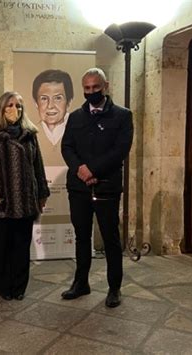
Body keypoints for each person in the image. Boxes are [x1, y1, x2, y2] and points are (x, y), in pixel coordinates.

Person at [61, 68, 133, 308]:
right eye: (87, 88)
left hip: (107, 187)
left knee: (111, 239)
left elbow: (120, 150)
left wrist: (93, 170)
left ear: (106, 86)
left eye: (95, 87)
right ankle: (81, 283)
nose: (91, 92)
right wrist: (81, 169)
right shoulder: (75, 117)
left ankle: (114, 288)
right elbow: (67, 147)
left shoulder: (123, 116)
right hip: (79, 187)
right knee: (82, 237)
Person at [0, 91, 50, 301]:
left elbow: (38, 166)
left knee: (21, 247)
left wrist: (42, 193)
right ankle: (3, 287)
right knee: (1, 247)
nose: (14, 110)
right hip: (1, 202)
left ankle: (19, 287)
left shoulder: (29, 134)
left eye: (18, 106)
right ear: (1, 108)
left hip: (25, 201)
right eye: (9, 105)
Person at [32, 69, 74, 146]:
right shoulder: (29, 136)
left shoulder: (81, 132)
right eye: (44, 98)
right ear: (36, 103)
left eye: (58, 98)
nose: (50, 106)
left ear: (69, 103)